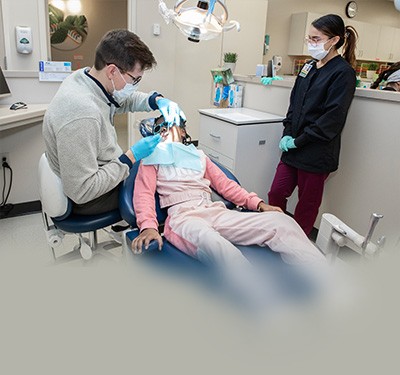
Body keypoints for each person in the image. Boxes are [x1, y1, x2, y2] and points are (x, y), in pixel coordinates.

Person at [131, 117, 327, 273]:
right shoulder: (152, 159)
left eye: (170, 126)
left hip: (214, 211)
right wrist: (148, 227)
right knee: (215, 245)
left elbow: (226, 186)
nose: (165, 132)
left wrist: (258, 204)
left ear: (183, 131)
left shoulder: (199, 156)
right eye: (160, 129)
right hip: (183, 217)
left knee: (281, 222)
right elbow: (144, 195)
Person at [43, 29, 185, 215]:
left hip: (101, 170)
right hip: (91, 196)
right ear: (112, 71)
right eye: (135, 79)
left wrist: (156, 100)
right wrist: (131, 157)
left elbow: (120, 100)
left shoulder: (85, 79)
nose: (135, 85)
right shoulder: (82, 114)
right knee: (170, 191)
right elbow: (82, 191)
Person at [267, 14, 358, 237]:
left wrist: (299, 140)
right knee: (276, 192)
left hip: (316, 151)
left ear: (334, 40)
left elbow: (332, 118)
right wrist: (287, 133)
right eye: (309, 38)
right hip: (293, 147)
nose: (311, 43)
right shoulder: (308, 67)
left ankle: (297, 246)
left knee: (307, 205)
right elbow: (294, 103)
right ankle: (276, 232)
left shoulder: (343, 73)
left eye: (316, 39)